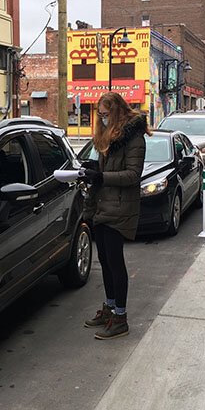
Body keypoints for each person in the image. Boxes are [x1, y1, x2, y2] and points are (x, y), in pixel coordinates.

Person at [81, 91, 148, 340]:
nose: (103, 118)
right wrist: (93, 170)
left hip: (120, 208)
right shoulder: (108, 136)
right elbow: (104, 170)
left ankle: (121, 317)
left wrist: (102, 177)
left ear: (118, 111)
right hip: (101, 205)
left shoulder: (134, 139)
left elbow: (133, 175)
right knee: (105, 263)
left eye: (106, 114)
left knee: (115, 263)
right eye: (100, 114)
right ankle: (109, 308)